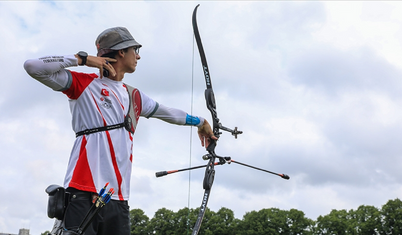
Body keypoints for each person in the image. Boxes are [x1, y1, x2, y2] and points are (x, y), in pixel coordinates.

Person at [24, 26, 217, 235]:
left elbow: (168, 113)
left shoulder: (134, 96)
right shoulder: (83, 84)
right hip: (82, 192)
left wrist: (201, 122)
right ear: (121, 52)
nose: (139, 56)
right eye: (135, 49)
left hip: (118, 198)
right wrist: (83, 59)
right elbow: (33, 66)